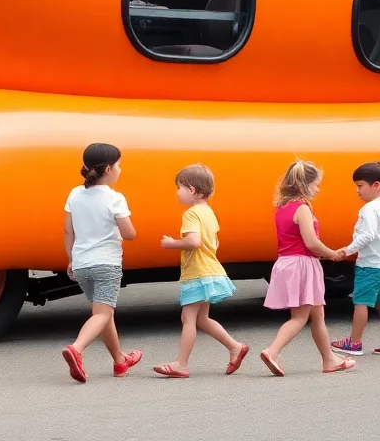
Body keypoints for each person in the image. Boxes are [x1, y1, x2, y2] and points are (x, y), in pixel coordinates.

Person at [258, 160, 353, 376]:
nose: (318, 189)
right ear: (305, 184)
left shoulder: (282, 208)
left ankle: (329, 360)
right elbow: (311, 242)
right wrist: (332, 254)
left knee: (317, 314)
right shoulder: (302, 208)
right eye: (316, 184)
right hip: (302, 264)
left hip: (287, 262)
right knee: (300, 317)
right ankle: (272, 351)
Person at [152, 164, 247, 378]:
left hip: (197, 272)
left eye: (179, 187)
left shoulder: (191, 214)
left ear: (192, 190)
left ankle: (181, 364)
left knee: (188, 318)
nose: (177, 192)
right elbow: (213, 242)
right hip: (209, 269)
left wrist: (171, 243)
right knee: (202, 319)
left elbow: (193, 241)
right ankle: (235, 347)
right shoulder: (208, 212)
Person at [60, 143, 142, 383]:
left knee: (103, 313)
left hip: (82, 263)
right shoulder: (115, 198)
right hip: (106, 262)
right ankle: (76, 348)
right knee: (103, 313)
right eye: (118, 164)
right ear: (108, 168)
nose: (120, 168)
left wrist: (72, 259)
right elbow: (129, 233)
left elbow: (67, 230)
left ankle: (120, 361)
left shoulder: (75, 193)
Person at [330, 161, 380, 356]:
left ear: (376, 185)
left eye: (360, 185)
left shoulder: (369, 209)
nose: (358, 191)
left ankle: (354, 343)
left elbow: (367, 235)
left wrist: (347, 250)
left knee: (361, 302)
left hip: (370, 264)